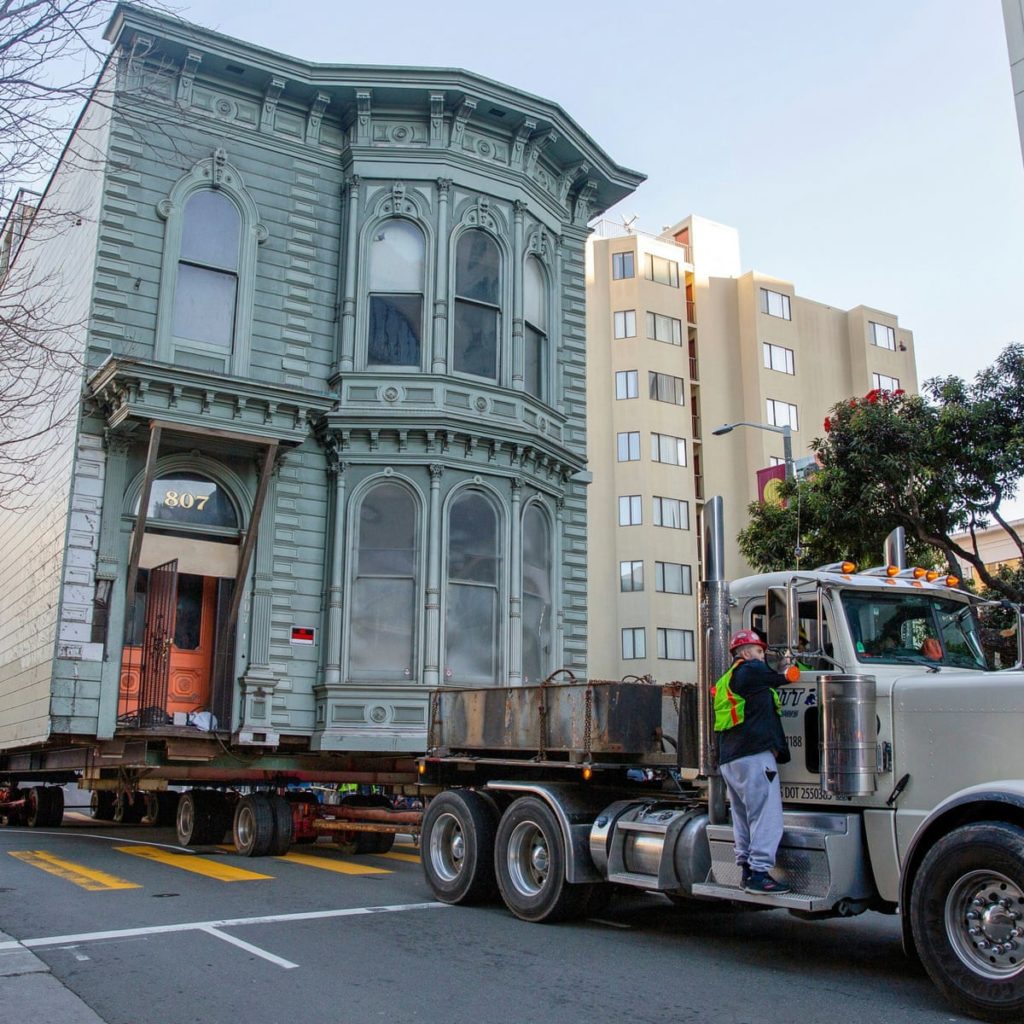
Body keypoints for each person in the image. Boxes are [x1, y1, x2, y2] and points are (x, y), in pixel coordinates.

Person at [713, 628, 793, 894]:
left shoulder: (728, 678)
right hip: (754, 754)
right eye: (759, 651)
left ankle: (746, 871)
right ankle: (760, 874)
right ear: (746, 653)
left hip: (731, 758)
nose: (762, 656)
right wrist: (790, 663)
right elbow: (789, 677)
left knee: (743, 816)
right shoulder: (752, 670)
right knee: (766, 815)